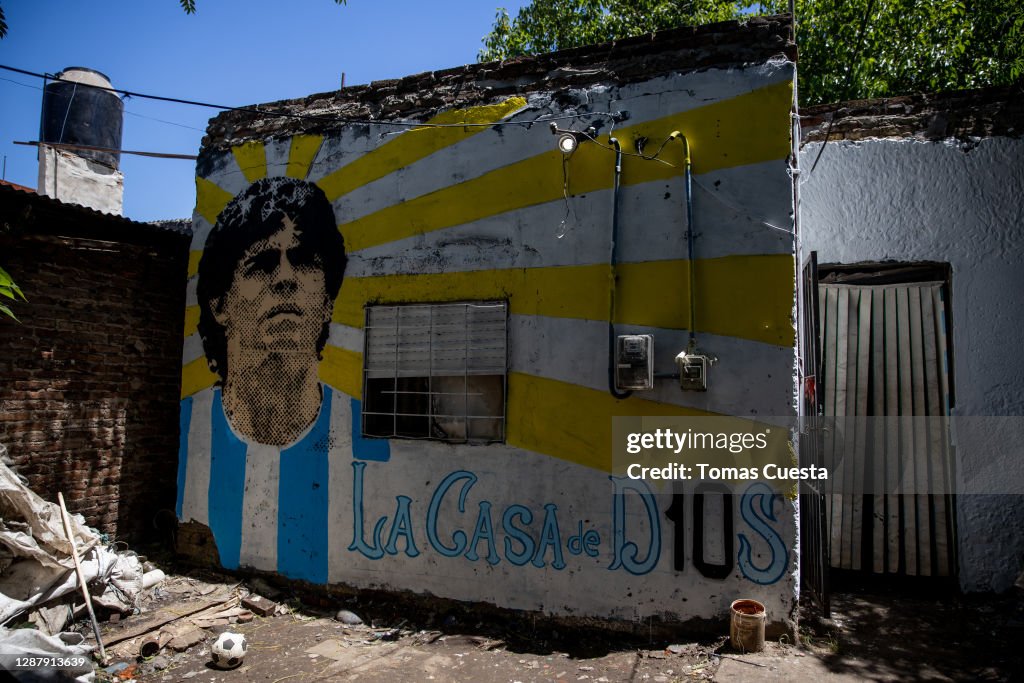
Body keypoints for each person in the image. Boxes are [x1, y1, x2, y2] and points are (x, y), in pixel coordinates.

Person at [177, 177, 347, 582]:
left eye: (304, 261)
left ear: (327, 300)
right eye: (263, 264)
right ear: (220, 303)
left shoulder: (360, 424)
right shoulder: (192, 422)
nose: (286, 278)